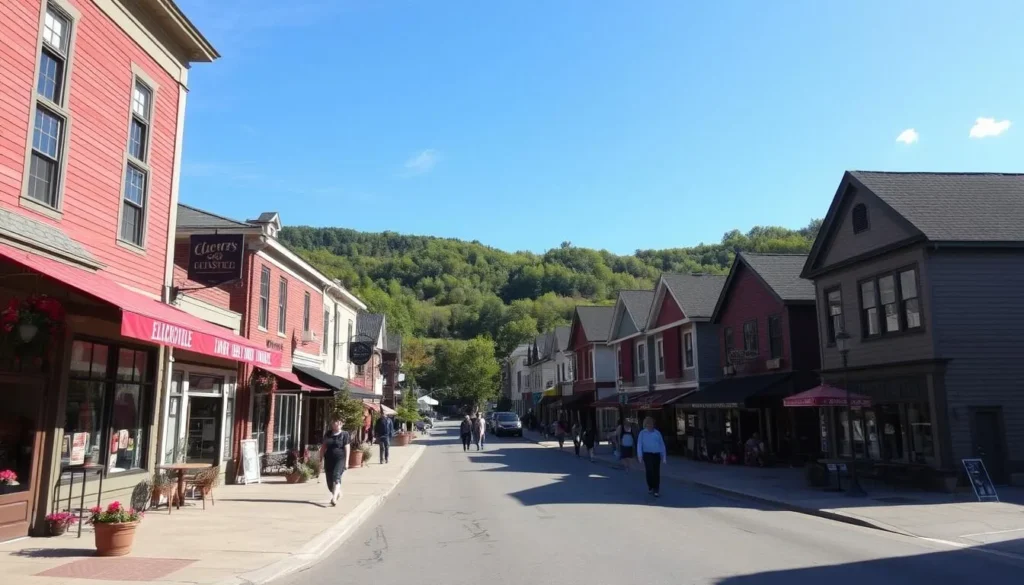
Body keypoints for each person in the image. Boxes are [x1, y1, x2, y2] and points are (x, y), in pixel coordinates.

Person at [319, 418, 350, 506]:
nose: (336, 425)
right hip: (328, 459)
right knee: (329, 483)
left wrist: (346, 462)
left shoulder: (345, 434)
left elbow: (347, 448)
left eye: (339, 423)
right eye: (335, 423)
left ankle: (334, 498)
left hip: (340, 459)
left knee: (336, 476)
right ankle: (338, 493)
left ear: (342, 424)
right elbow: (323, 447)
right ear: (332, 424)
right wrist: (320, 459)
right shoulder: (328, 434)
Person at [636, 416, 667, 497]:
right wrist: (640, 455)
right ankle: (650, 486)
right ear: (645, 424)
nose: (650, 425)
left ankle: (656, 489)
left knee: (656, 472)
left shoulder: (657, 433)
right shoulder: (642, 433)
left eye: (651, 423)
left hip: (656, 454)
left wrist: (664, 456)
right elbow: (639, 444)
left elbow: (662, 444)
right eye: (648, 424)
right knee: (649, 471)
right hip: (647, 454)